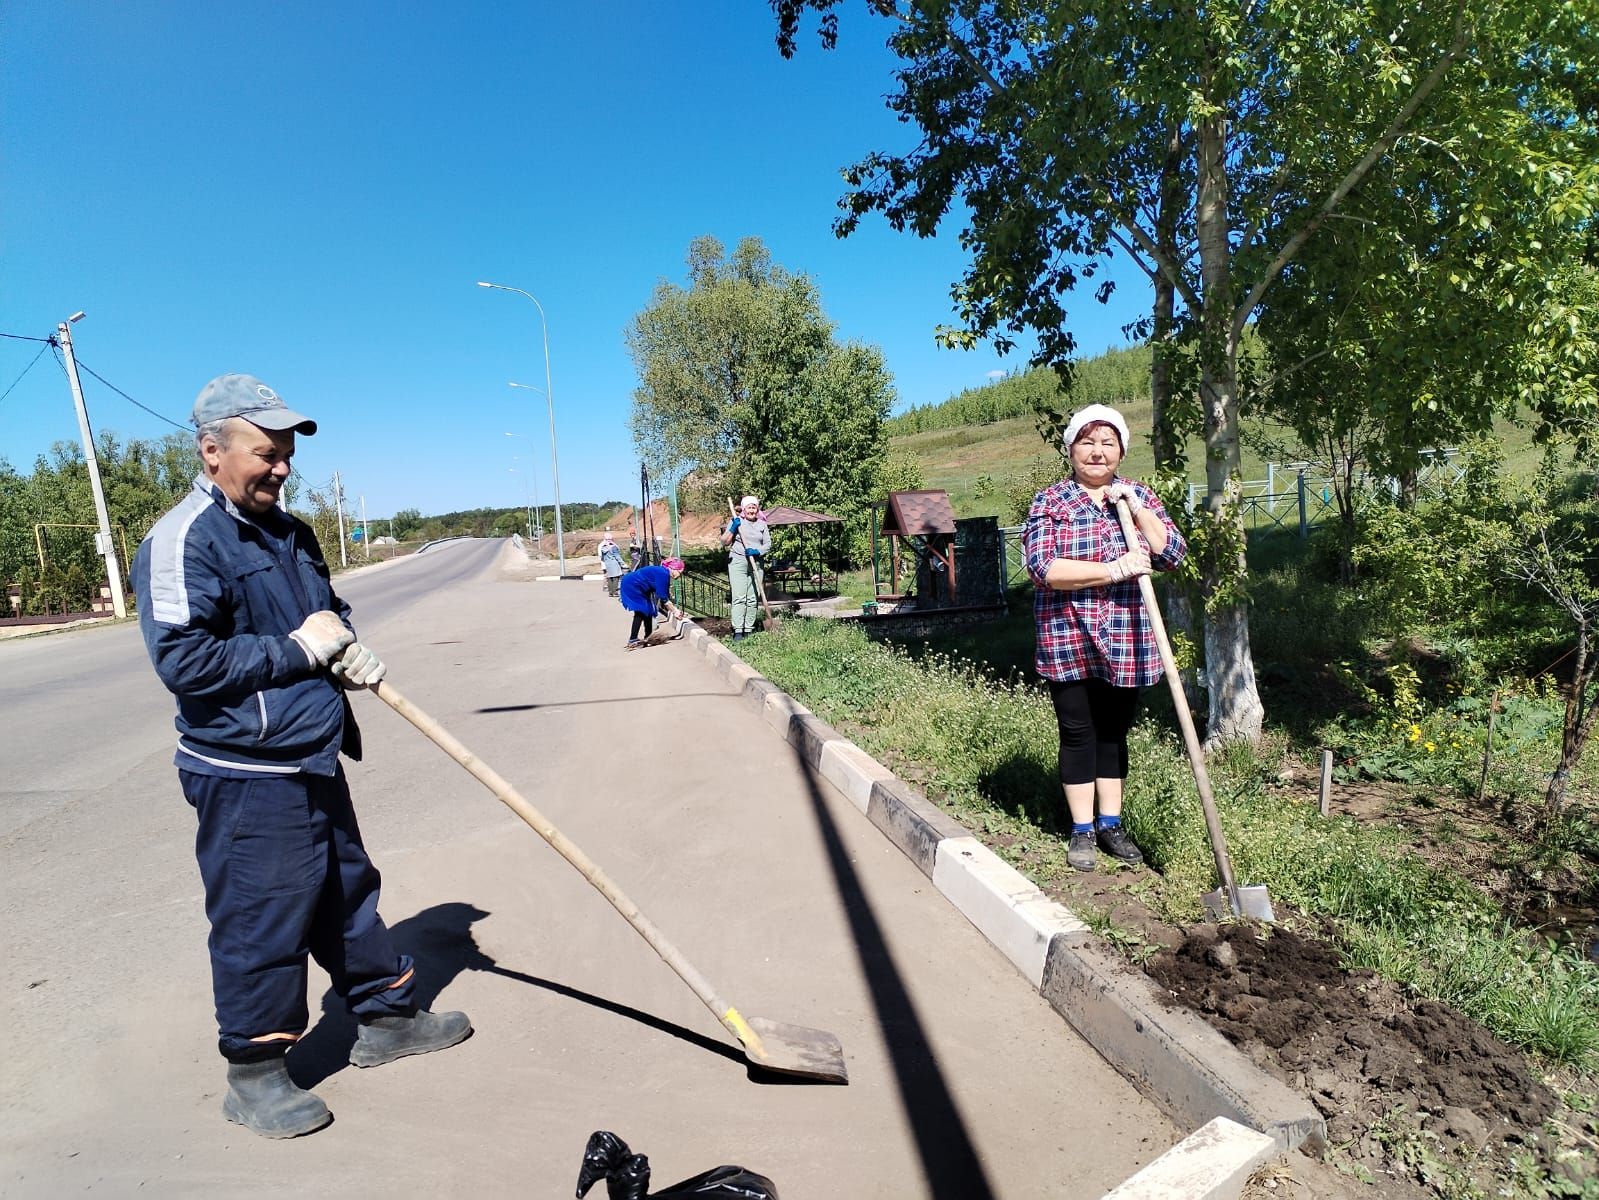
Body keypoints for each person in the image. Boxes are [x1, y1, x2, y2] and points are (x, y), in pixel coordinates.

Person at [131, 373, 471, 1140]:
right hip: (247, 769)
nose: (281, 467)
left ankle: (384, 1018)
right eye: (266, 452)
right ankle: (253, 1074)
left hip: (312, 749)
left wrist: (344, 643)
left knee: (346, 892)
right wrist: (295, 650)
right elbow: (185, 662)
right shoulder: (185, 539)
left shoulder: (290, 531)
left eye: (286, 453)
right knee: (263, 916)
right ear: (212, 451)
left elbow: (325, 614)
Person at [1023, 403, 1187, 873]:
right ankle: (1080, 830)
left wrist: (1137, 510)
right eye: (1087, 442)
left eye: (1107, 443)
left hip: (1127, 635)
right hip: (1067, 632)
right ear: (1071, 449)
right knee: (1078, 732)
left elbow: (1171, 553)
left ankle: (1110, 823)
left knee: (1113, 734)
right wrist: (1112, 570)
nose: (1097, 452)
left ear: (1121, 451)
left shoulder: (1138, 497)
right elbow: (1042, 568)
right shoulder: (1050, 501)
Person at [721, 495, 770, 641]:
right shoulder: (737, 521)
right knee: (739, 597)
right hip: (738, 561)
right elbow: (724, 542)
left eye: (754, 507)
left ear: (757, 509)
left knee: (753, 598)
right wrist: (733, 528)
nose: (752, 510)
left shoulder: (762, 524)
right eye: (749, 507)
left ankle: (748, 629)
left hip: (756, 563)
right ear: (744, 509)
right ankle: (738, 630)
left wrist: (758, 552)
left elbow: (768, 544)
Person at [618, 556, 685, 647]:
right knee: (641, 611)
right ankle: (633, 639)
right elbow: (663, 598)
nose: (680, 575)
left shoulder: (663, 572)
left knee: (648, 610)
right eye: (680, 572)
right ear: (673, 569)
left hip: (637, 586)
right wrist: (675, 611)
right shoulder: (663, 574)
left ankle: (648, 637)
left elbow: (662, 592)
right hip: (632, 585)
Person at [597, 528, 625, 597]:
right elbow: (617, 556)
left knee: (609, 578)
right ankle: (615, 592)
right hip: (614, 564)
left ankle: (610, 592)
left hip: (607, 564)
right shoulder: (613, 547)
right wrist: (622, 563)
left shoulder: (603, 547)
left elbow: (602, 557)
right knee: (616, 578)